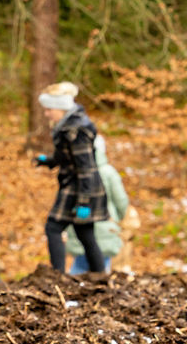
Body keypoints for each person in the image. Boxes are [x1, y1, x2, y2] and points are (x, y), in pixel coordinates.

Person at [34, 82, 108, 274]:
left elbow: (86, 168)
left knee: (53, 227)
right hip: (75, 185)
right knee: (85, 234)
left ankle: (57, 275)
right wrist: (49, 161)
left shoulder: (76, 131)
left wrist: (84, 202)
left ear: (61, 108)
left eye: (49, 109)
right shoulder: (67, 127)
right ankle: (100, 274)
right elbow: (67, 157)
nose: (46, 114)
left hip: (79, 187)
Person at [63, 135, 128, 274]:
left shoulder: (74, 171)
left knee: (82, 265)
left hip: (79, 226)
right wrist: (117, 218)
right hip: (106, 226)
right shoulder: (109, 173)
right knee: (99, 268)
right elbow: (121, 200)